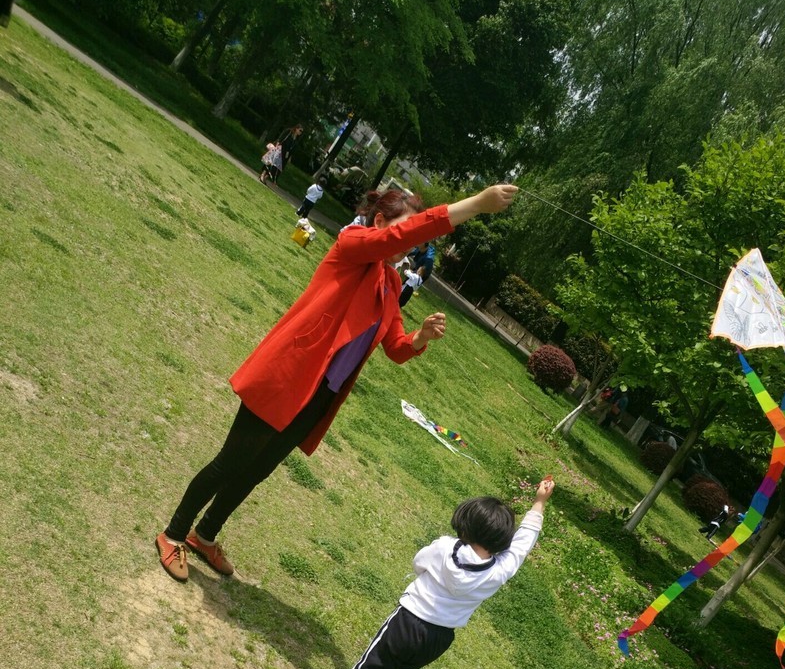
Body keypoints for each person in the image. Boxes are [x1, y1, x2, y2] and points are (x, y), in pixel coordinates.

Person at [154, 183, 519, 581]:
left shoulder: (391, 282)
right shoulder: (353, 244)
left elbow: (396, 347)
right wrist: (475, 205)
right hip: (288, 376)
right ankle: (173, 534)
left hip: (320, 395)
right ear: (379, 221)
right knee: (231, 462)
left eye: (411, 241)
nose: (407, 246)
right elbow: (397, 237)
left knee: (257, 470)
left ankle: (205, 535)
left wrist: (420, 337)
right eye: (403, 231)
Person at [314, 480, 555, 669]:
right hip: (438, 640)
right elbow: (522, 545)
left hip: (406, 622)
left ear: (465, 526)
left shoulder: (444, 547)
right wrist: (539, 502)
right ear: (502, 539)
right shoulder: (499, 571)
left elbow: (418, 563)